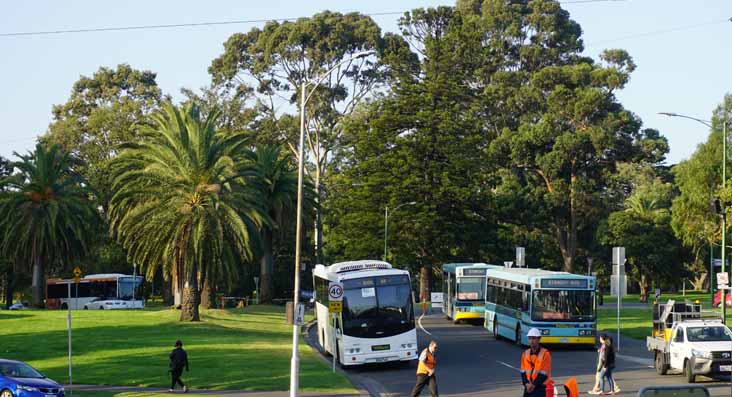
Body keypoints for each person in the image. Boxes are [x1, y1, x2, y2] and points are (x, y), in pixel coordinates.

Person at [520, 328, 552, 397]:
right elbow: (523, 372)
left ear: (539, 339)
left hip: (540, 387)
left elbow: (543, 374)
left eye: (534, 338)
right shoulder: (525, 354)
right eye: (530, 338)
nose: (531, 341)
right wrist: (526, 384)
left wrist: (533, 385)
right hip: (528, 387)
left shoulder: (545, 354)